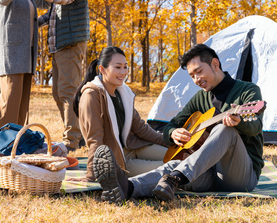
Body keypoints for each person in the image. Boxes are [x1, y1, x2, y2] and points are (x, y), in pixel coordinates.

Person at [93, 44, 264, 203]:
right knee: (177, 165)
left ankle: (174, 177)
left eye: (199, 71)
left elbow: (255, 127)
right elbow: (170, 126)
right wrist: (173, 132)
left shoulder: (247, 91)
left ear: (215, 64)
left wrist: (239, 122)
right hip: (207, 173)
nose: (197, 79)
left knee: (225, 130)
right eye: (192, 76)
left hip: (240, 176)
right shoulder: (200, 98)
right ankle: (127, 188)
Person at [12, 0, 90, 151]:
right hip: (60, 46)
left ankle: (72, 141)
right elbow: (50, 9)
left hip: (70, 44)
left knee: (68, 92)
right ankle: (77, 134)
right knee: (59, 93)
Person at [72, 46, 168, 182]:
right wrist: (90, 176)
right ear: (102, 69)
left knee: (181, 156)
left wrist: (168, 142)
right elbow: (95, 139)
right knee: (173, 167)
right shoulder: (91, 95)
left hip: (135, 147)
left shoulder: (121, 92)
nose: (123, 72)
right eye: (118, 67)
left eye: (125, 67)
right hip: (119, 160)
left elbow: (140, 128)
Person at [0, 0, 48, 134]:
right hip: (12, 54)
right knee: (10, 103)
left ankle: (15, 144)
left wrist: (48, 17)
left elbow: (31, 22)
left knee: (21, 106)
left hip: (26, 55)